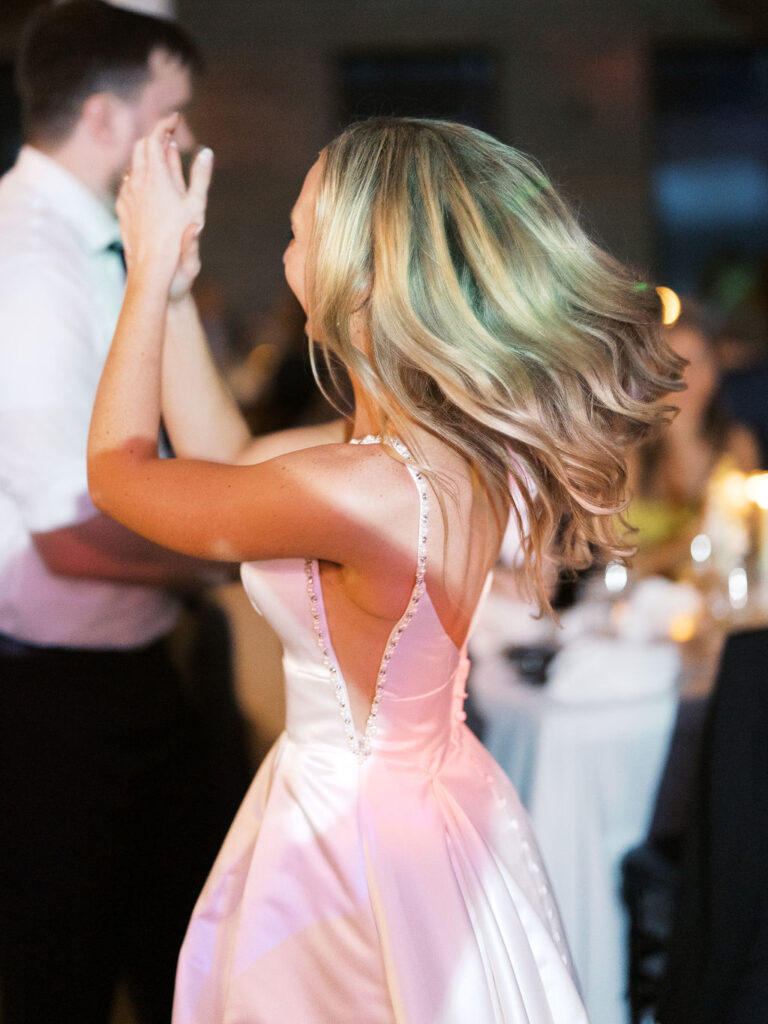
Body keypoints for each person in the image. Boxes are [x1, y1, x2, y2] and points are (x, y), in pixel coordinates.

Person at [87, 114, 682, 1022]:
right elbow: (235, 457)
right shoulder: (429, 449)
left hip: (351, 837)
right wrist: (173, 298)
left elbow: (120, 475)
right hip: (417, 798)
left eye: (296, 233)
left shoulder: (364, 489)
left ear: (359, 275)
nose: (287, 251)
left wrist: (145, 265)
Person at [0, 5, 243, 1023]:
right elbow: (69, 532)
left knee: (181, 944)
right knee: (68, 969)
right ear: (106, 118)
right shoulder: (29, 264)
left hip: (134, 668)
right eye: (170, 119)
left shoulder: (98, 247)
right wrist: (220, 563)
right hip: (56, 699)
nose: (182, 144)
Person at [628, 300, 759, 579]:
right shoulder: (629, 453)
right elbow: (612, 563)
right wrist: (697, 536)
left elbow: (753, 545)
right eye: (673, 363)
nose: (687, 377)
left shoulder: (737, 444)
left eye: (698, 360)